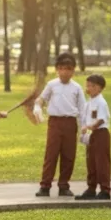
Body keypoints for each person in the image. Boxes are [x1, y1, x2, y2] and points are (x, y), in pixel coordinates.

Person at [35, 53, 87, 198]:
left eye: (68, 69)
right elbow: (41, 99)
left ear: (73, 71)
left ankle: (64, 185)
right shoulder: (52, 85)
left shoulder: (76, 88)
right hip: (55, 123)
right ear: (57, 69)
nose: (65, 72)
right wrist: (37, 107)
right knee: (51, 154)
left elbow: (82, 109)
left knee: (68, 155)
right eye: (62, 68)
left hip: (70, 122)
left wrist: (84, 129)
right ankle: (45, 186)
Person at [77, 74, 111, 201]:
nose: (88, 88)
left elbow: (101, 119)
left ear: (99, 88)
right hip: (91, 135)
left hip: (100, 133)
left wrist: (90, 127)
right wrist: (85, 132)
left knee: (101, 162)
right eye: (87, 85)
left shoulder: (101, 102)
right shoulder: (89, 102)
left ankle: (105, 189)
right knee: (91, 162)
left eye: (92, 86)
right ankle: (91, 188)